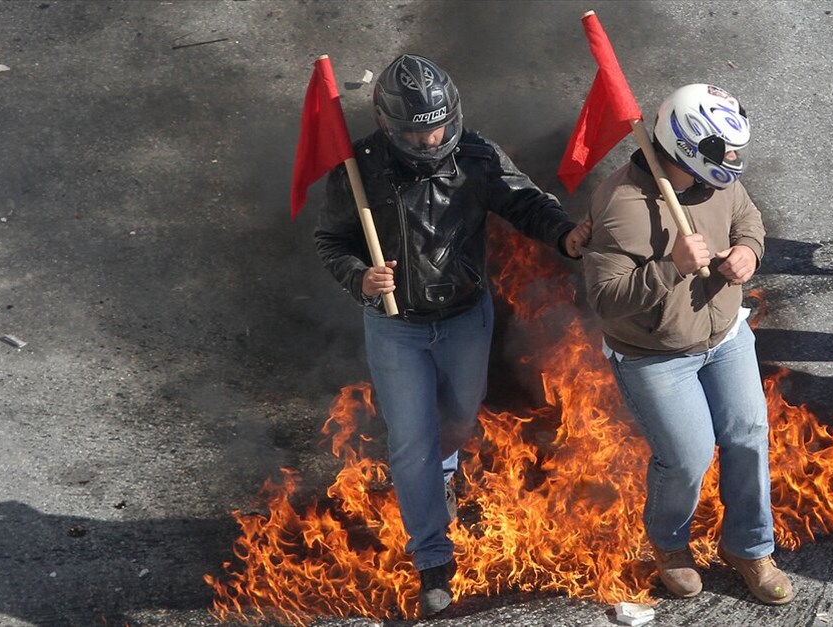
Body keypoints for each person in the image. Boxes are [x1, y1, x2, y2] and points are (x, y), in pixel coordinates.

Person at [314, 54, 590, 616]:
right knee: (412, 441)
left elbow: (526, 202)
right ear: (389, 125)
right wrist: (359, 277)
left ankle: (443, 473)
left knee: (460, 420)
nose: (431, 137)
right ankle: (432, 559)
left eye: (438, 124)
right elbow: (332, 242)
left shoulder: (478, 155)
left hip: (467, 318)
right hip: (396, 328)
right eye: (417, 131)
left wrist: (565, 236)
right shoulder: (356, 169)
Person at [583, 84, 795, 605]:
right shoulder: (620, 204)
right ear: (689, 146)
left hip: (726, 336)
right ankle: (670, 546)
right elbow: (605, 301)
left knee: (747, 435)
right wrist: (668, 268)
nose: (736, 160)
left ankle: (749, 547)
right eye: (726, 150)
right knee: (688, 456)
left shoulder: (720, 183)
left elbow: (749, 219)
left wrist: (749, 251)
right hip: (656, 358)